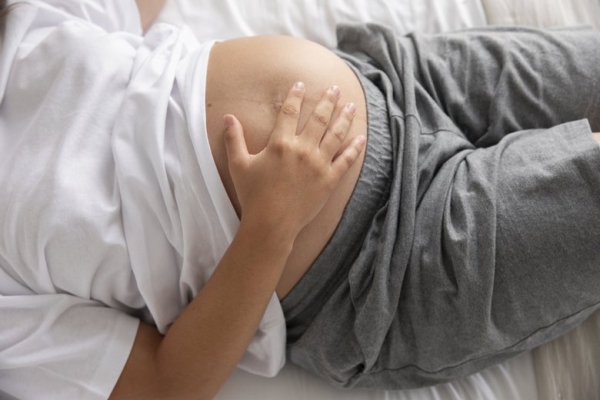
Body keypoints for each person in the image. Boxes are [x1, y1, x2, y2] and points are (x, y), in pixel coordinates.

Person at [1, 0, 600, 399]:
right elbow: (165, 385)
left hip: (406, 79)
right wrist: (272, 222)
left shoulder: (25, 22)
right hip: (384, 270)